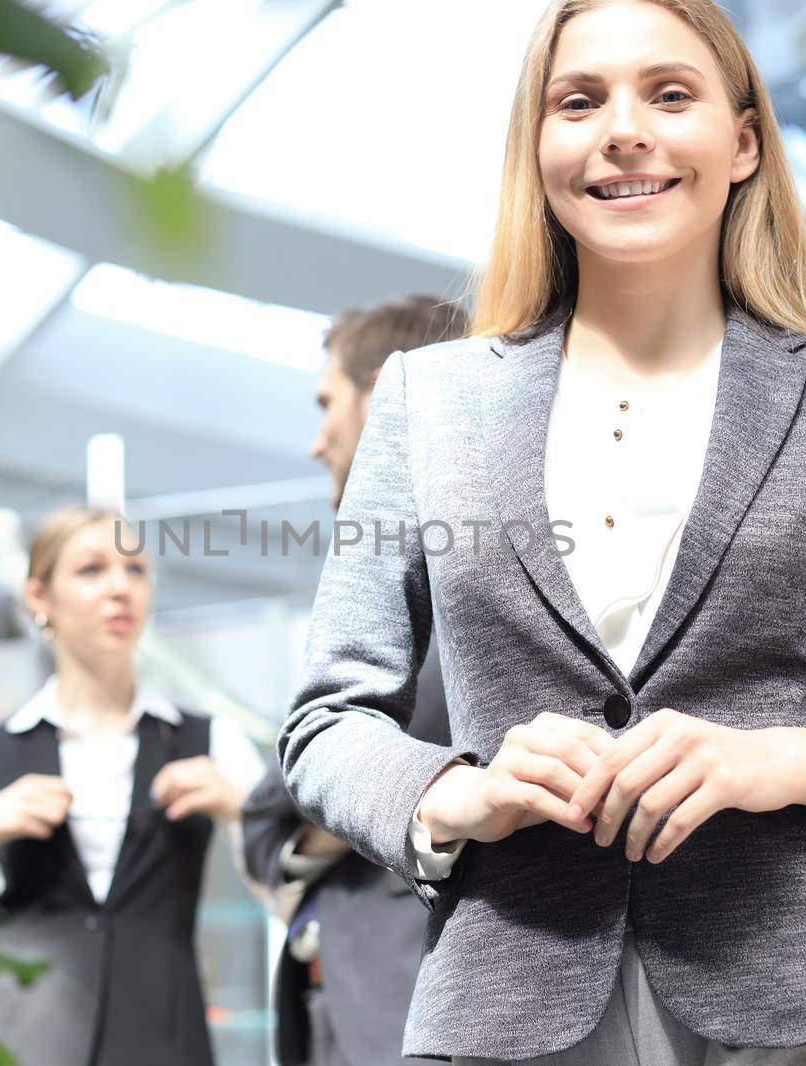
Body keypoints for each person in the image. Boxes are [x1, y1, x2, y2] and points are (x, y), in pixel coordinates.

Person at [278, 2, 806, 1064]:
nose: (622, 129)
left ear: (742, 142)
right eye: (577, 101)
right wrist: (464, 793)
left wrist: (788, 760)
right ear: (535, 149)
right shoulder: (425, 399)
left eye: (668, 94)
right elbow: (326, 724)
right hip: (514, 1006)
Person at [0, 506, 267, 1066]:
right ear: (39, 597)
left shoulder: (212, 741)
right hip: (15, 1043)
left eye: (135, 570)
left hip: (163, 1043)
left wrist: (241, 811)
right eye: (91, 570)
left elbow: (295, 899)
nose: (120, 589)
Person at [241, 295, 467, 1066]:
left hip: (419, 1007)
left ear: (383, 396)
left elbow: (280, 804)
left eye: (327, 404)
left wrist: (332, 798)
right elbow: (271, 822)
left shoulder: (463, 578)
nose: (317, 443)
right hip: (354, 1003)